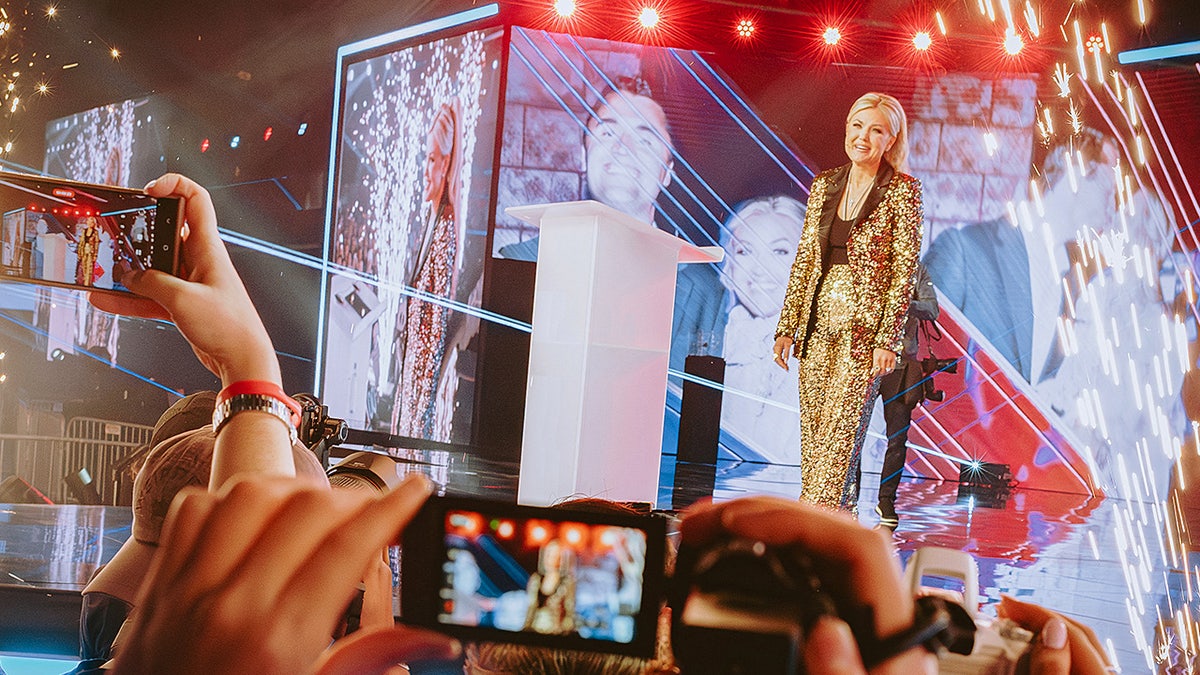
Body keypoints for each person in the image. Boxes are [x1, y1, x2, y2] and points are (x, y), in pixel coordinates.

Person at [772, 92, 923, 511]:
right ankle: (841, 528)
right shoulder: (824, 185)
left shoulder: (903, 192)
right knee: (817, 436)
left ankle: (811, 525)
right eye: (857, 125)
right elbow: (805, 259)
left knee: (840, 440)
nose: (863, 136)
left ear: (891, 140)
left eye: (876, 130)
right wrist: (786, 327)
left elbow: (902, 270)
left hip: (863, 336)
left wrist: (886, 340)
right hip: (817, 327)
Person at [393, 101, 463, 441]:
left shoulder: (445, 227)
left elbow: (433, 325)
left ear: (446, 163)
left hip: (420, 383)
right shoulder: (432, 223)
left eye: (432, 160)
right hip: (412, 377)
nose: (425, 169)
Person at [719, 195, 807, 463]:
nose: (759, 269)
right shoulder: (717, 342)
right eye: (745, 251)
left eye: (779, 251)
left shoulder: (826, 355)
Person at [870, 261, 939, 527]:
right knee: (851, 437)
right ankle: (845, 495)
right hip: (862, 363)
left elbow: (932, 309)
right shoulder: (867, 258)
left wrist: (902, 304)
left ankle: (886, 500)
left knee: (897, 439)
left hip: (900, 366)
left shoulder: (917, 269)